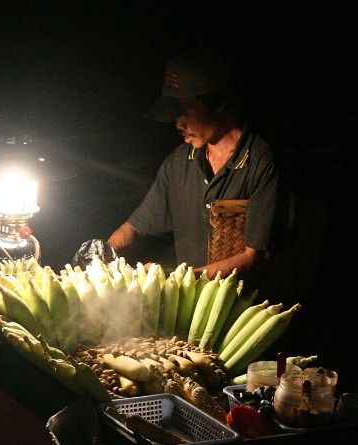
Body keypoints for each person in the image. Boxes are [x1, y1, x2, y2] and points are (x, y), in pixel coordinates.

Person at [108, 46, 295, 283]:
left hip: (242, 306)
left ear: (219, 103)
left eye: (186, 110)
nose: (178, 123)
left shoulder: (260, 162)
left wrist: (177, 279)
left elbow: (255, 257)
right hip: (189, 302)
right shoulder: (179, 163)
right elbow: (136, 227)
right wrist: (103, 255)